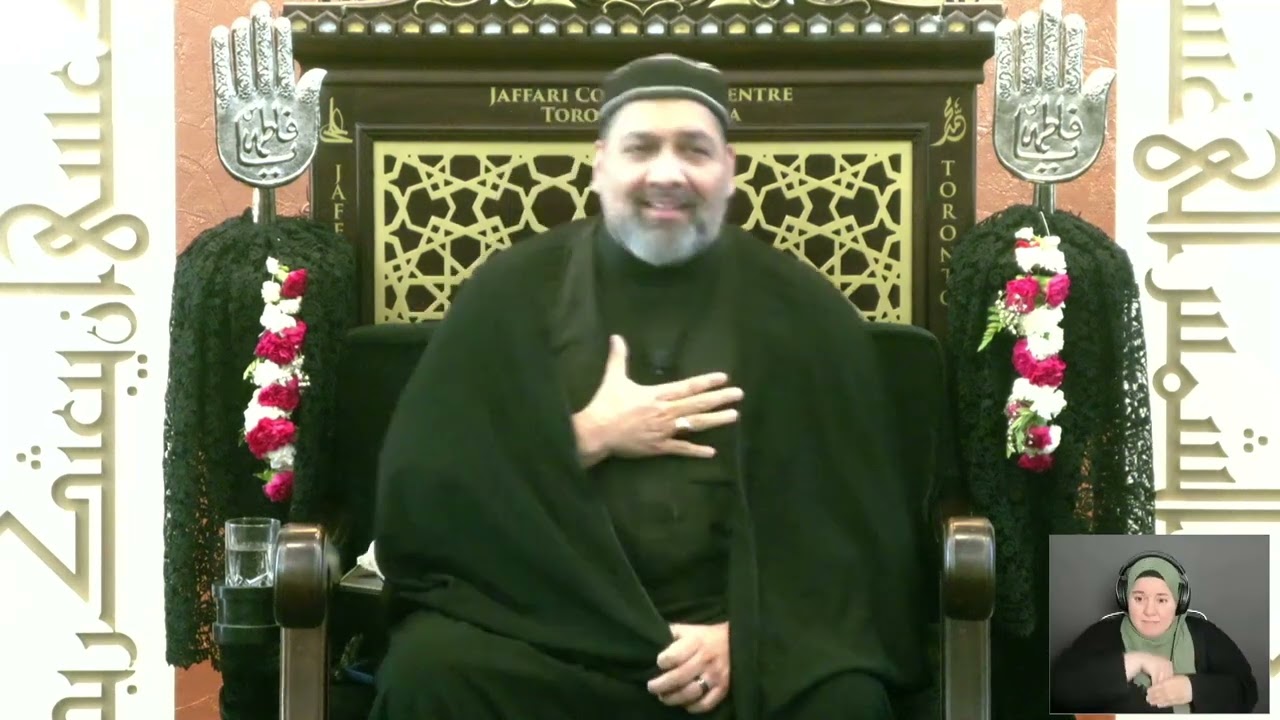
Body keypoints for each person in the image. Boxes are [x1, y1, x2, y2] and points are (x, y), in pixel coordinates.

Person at [369, 53, 931, 720]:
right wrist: (584, 438)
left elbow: (857, 531)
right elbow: (424, 499)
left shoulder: (804, 313)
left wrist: (750, 635)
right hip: (547, 631)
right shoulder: (511, 294)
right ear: (599, 163)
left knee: (844, 702)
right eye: (641, 148)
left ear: (729, 168)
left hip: (735, 640)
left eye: (694, 149)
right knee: (429, 674)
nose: (667, 173)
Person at [1050, 552, 1258, 714]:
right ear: (1125, 598)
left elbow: (1247, 691)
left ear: (1179, 601)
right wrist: (1133, 662)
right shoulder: (1102, 634)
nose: (1149, 611)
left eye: (1161, 600)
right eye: (1139, 599)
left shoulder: (1204, 634)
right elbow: (1059, 690)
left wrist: (1193, 689)